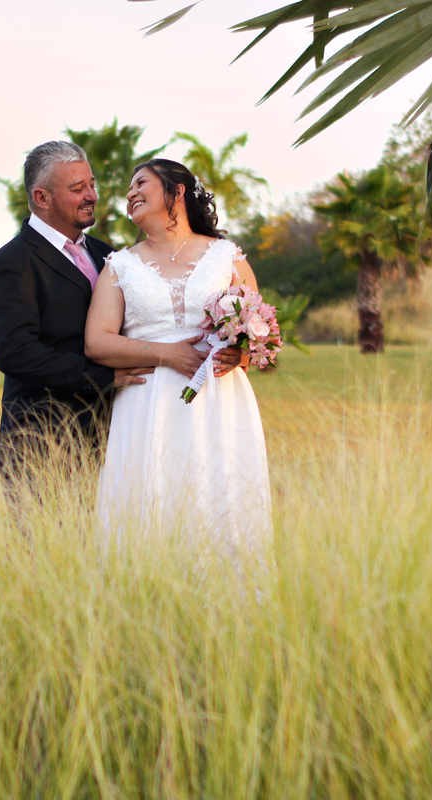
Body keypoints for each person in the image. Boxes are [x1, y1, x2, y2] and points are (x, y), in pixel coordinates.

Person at [0, 142, 212, 500]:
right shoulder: (12, 263)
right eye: (78, 189)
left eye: (91, 184)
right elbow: (15, 353)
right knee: (51, 553)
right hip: (45, 442)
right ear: (41, 197)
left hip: (121, 433)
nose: (92, 195)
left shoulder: (109, 255)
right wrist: (104, 377)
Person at [85, 158, 272, 559]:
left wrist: (239, 354)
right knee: (150, 501)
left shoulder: (226, 256)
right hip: (147, 404)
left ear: (178, 191)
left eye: (141, 183)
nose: (131, 193)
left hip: (220, 404)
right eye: (129, 188)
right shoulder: (120, 266)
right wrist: (166, 354)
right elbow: (96, 342)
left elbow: (264, 333)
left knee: (221, 501)